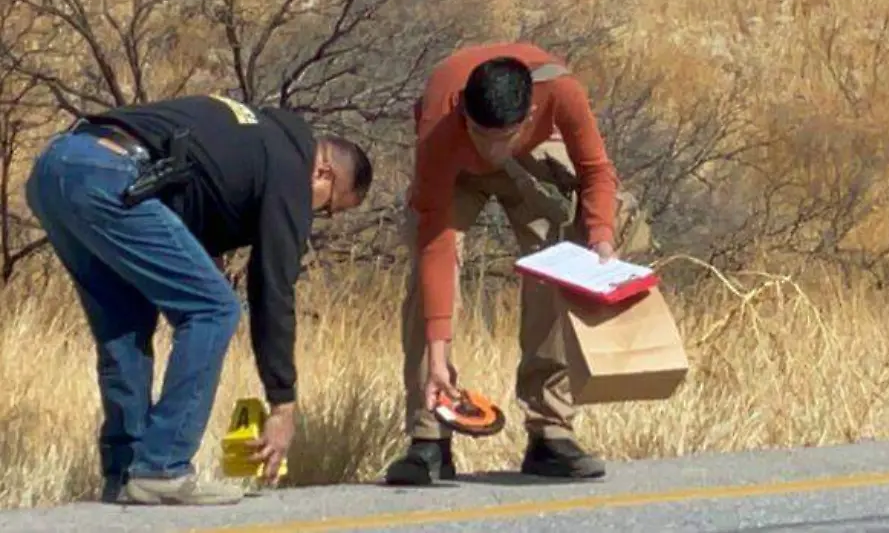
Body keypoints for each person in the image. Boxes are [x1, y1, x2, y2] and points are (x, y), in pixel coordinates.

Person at [24, 94, 374, 506]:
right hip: (111, 174)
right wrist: (282, 404)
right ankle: (163, 465)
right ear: (324, 174)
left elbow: (192, 192)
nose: (316, 216)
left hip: (57, 168)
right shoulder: (291, 169)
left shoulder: (257, 135)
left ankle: (126, 471)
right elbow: (273, 289)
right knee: (215, 309)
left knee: (125, 320)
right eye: (328, 209)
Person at [385, 42, 621, 487]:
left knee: (561, 261)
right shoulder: (443, 119)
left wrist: (602, 240)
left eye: (500, 138)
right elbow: (436, 238)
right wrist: (438, 354)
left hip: (533, 156)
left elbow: (596, 171)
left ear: (529, 115)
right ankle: (428, 436)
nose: (490, 150)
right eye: (480, 134)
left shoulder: (562, 93)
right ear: (463, 114)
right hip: (454, 168)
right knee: (426, 271)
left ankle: (551, 432)